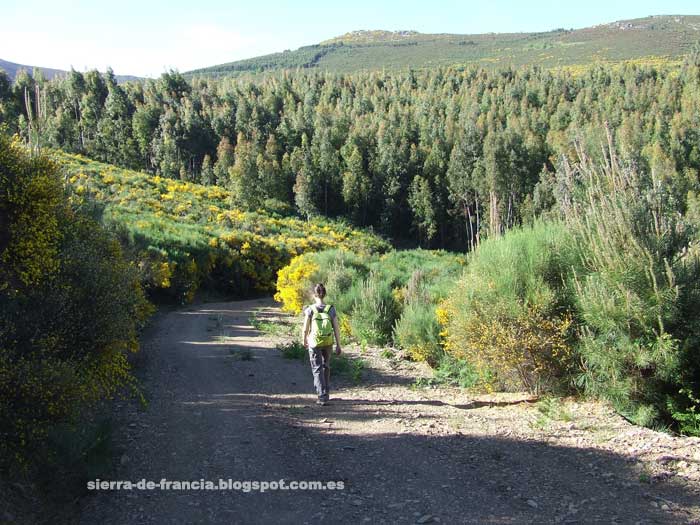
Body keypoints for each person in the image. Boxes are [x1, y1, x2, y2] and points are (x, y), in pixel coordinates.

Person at [302, 283, 342, 406]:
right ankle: (326, 393)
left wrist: (304, 340)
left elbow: (305, 328)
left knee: (317, 368)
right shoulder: (331, 309)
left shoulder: (310, 309)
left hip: (314, 342)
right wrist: (338, 345)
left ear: (314, 294)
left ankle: (322, 396)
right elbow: (336, 328)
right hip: (328, 342)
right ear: (324, 294)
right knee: (326, 366)